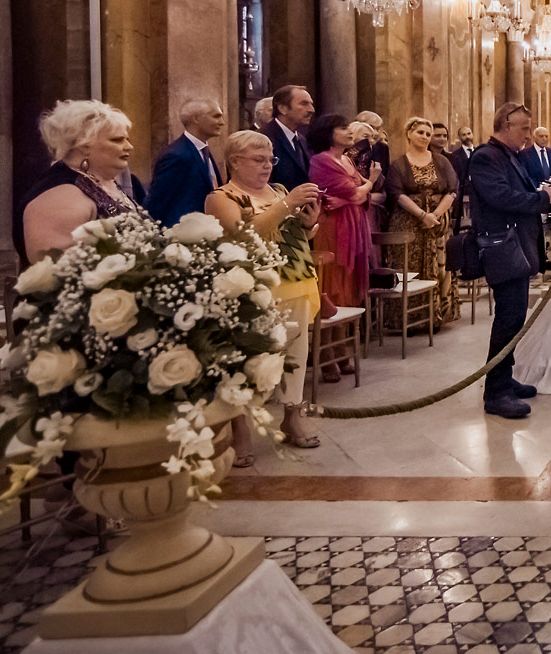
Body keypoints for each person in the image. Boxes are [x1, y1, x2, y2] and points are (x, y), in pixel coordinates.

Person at [207, 130, 322, 447]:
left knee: (296, 352)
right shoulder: (220, 198)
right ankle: (239, 425)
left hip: (295, 278)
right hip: (252, 288)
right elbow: (245, 234)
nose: (267, 166)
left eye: (270, 159)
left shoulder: (279, 191)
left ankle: (292, 415)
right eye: (258, 160)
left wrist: (311, 222)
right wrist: (287, 205)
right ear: (234, 162)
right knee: (248, 356)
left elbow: (297, 235)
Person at [468, 103, 551, 419]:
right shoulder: (485, 157)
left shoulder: (509, 156)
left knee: (514, 318)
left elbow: (517, 191)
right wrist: (544, 199)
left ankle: (505, 379)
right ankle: (495, 393)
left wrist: (545, 192)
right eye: (524, 128)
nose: (528, 134)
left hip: (517, 246)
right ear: (505, 124)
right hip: (502, 247)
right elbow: (501, 198)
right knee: (508, 318)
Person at [19, 100, 146, 261]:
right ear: (84, 145)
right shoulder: (59, 196)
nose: (129, 147)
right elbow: (54, 269)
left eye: (127, 139)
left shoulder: (111, 182)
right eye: (117, 140)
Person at [389, 117, 460, 322]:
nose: (425, 137)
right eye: (420, 132)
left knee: (440, 266)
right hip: (408, 222)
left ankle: (438, 315)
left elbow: (452, 190)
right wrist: (422, 215)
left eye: (428, 134)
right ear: (409, 134)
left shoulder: (441, 161)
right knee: (409, 268)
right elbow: (397, 193)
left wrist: (435, 215)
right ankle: (408, 319)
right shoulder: (399, 164)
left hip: (438, 223)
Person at [307, 114, 381, 310]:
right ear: (327, 134)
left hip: (354, 221)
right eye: (342, 128)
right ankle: (333, 331)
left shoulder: (347, 160)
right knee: (335, 275)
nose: (349, 132)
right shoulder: (321, 160)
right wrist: (371, 182)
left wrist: (345, 199)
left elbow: (360, 193)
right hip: (334, 223)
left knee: (353, 275)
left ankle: (350, 333)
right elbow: (357, 191)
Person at [144, 98, 226, 226]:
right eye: (216, 116)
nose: (222, 122)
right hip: (182, 234)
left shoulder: (203, 150)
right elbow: (157, 201)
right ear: (196, 118)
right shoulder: (176, 155)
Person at [263, 84, 315, 190]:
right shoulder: (264, 138)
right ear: (283, 108)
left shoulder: (302, 140)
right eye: (304, 104)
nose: (311, 110)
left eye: (311, 104)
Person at [353, 111, 393, 232]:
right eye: (371, 126)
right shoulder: (348, 148)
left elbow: (386, 172)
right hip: (355, 198)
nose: (375, 132)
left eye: (377, 128)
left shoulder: (381, 147)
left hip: (377, 201)